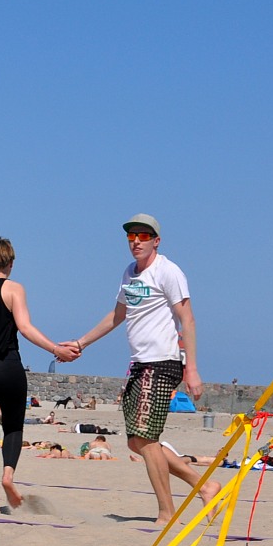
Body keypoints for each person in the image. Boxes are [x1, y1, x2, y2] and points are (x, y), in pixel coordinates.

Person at [69, 213, 219, 524]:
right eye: (131, 236)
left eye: (143, 236)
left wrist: (192, 369)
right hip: (139, 364)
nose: (136, 241)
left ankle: (166, 512)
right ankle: (206, 487)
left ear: (156, 241)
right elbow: (117, 315)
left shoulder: (168, 271)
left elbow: (187, 319)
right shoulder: (129, 273)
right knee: (135, 441)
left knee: (147, 440)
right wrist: (81, 343)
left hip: (163, 362)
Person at [0, 236, 77, 516]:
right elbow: (24, 328)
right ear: (11, 262)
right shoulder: (14, 288)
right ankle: (8, 475)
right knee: (12, 428)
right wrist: (56, 349)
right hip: (6, 366)